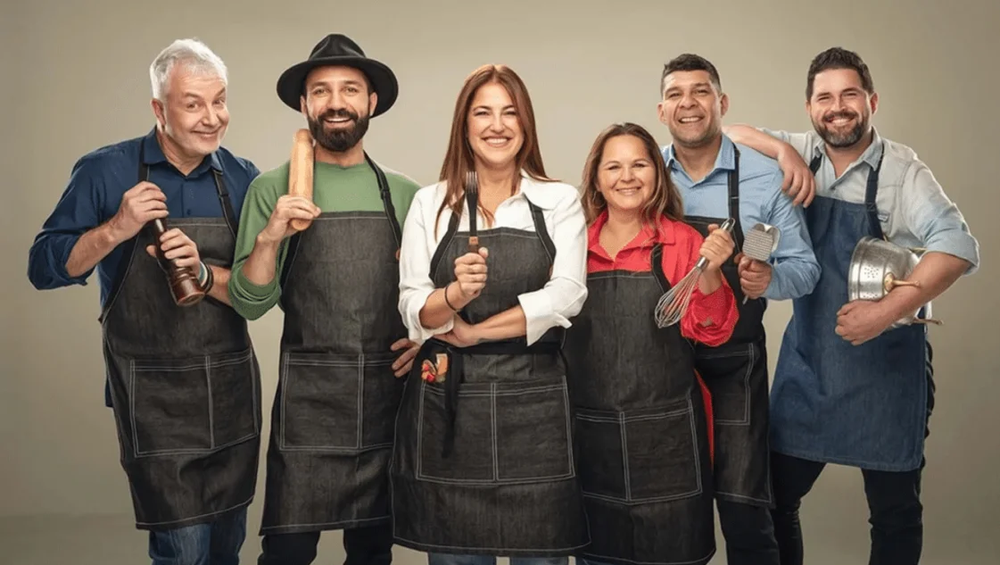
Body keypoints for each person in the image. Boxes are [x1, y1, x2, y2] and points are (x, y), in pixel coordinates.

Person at [725, 46, 981, 565]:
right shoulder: (802, 151)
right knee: (771, 500)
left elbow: (958, 245)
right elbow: (728, 134)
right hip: (810, 365)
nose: (837, 107)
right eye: (825, 97)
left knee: (894, 515)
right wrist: (785, 155)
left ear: (872, 101)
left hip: (886, 374)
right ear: (809, 107)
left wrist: (885, 313)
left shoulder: (902, 170)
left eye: (849, 95)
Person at [27, 39, 262, 565]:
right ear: (159, 108)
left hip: (230, 392)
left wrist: (204, 273)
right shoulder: (105, 172)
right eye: (193, 103)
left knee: (226, 549)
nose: (212, 118)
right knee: (183, 551)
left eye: (219, 101)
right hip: (152, 397)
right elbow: (43, 267)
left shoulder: (242, 178)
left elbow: (258, 292)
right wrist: (117, 228)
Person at [226, 34, 422, 565]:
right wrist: (270, 235)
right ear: (303, 104)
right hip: (309, 401)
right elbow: (249, 302)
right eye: (321, 91)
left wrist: (422, 342)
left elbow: (426, 298)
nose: (336, 101)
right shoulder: (273, 188)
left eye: (350, 89)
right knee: (287, 552)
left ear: (371, 102)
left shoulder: (405, 194)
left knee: (372, 551)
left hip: (387, 397)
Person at [391, 63, 590, 565]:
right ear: (464, 125)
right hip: (452, 407)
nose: (497, 125)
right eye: (483, 112)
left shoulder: (558, 199)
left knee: (541, 554)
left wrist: (475, 331)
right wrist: (455, 294)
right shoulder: (430, 204)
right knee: (457, 554)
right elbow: (414, 306)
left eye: (510, 112)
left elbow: (567, 294)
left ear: (526, 124)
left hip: (535, 401)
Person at [655, 53, 821, 565]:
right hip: (658, 363)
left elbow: (805, 269)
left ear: (721, 103)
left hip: (734, 363)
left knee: (745, 508)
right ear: (662, 110)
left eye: (701, 91)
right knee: (665, 507)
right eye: (677, 94)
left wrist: (769, 277)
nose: (689, 103)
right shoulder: (643, 172)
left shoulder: (765, 178)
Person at [564, 122, 738, 565]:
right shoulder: (571, 246)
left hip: (668, 443)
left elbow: (713, 330)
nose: (628, 176)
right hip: (590, 439)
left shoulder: (684, 242)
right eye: (614, 166)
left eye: (640, 164)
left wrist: (713, 270)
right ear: (597, 179)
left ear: (658, 174)